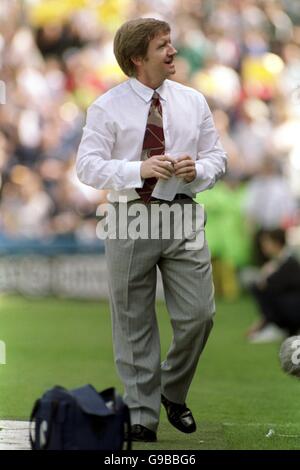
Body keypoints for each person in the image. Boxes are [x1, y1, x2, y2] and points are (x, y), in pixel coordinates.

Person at [76, 18, 227, 442]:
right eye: (164, 46)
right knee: (132, 322)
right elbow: (87, 167)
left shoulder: (193, 101)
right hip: (127, 215)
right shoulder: (106, 106)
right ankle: (141, 416)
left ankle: (171, 391)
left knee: (200, 316)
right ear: (137, 57)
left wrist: (197, 168)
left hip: (182, 213)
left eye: (171, 43)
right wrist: (137, 168)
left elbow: (218, 157)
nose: (173, 51)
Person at [246, 229, 300, 343]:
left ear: (277, 243)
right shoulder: (279, 262)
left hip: (293, 311)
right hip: (290, 309)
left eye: (267, 242)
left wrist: (266, 277)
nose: (263, 246)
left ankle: (276, 326)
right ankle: (272, 325)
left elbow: (270, 287)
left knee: (260, 288)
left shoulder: (290, 263)